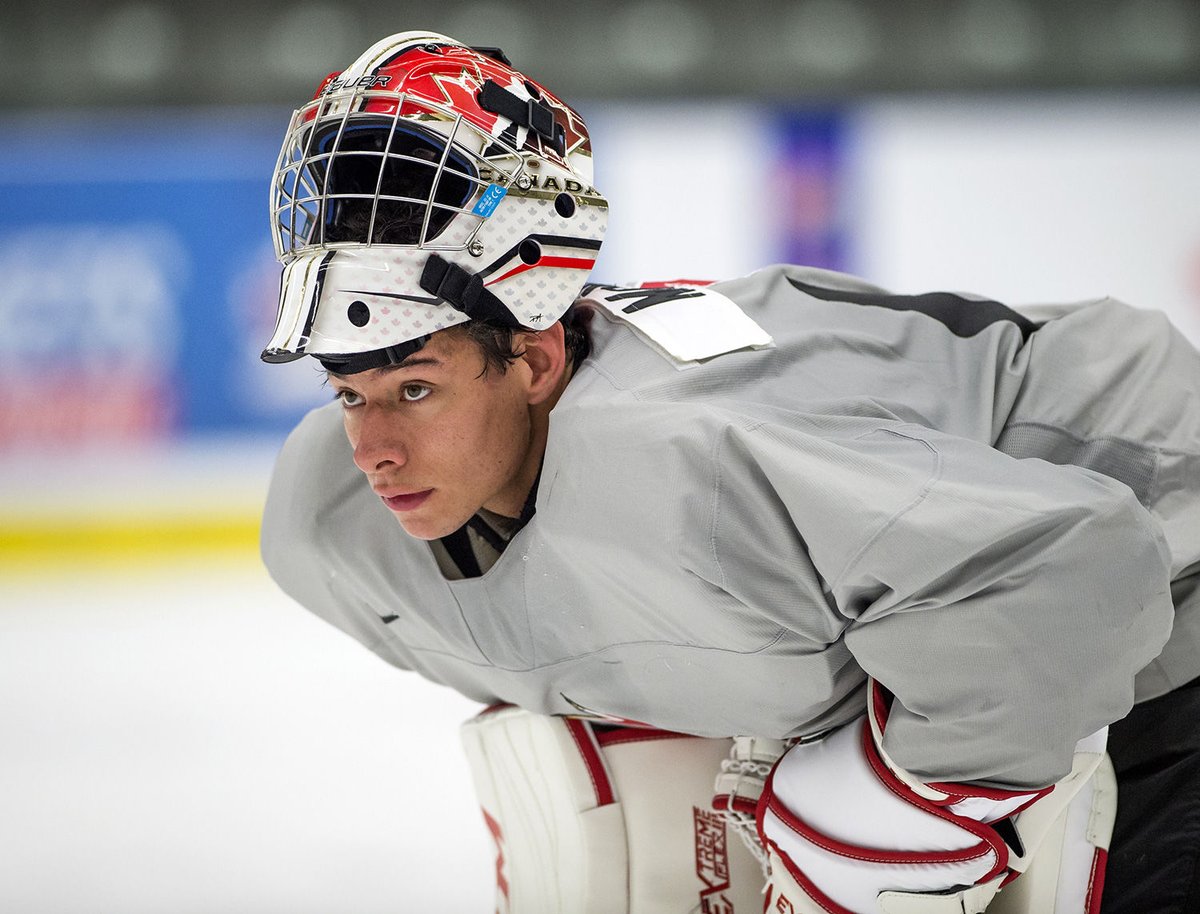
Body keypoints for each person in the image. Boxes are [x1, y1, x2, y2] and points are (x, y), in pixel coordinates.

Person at [258, 30, 1200, 914]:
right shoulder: (328, 528)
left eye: (416, 391)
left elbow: (1079, 566)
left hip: (1167, 555)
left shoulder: (692, 459)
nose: (375, 451)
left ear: (537, 362)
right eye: (349, 395)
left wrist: (900, 799)